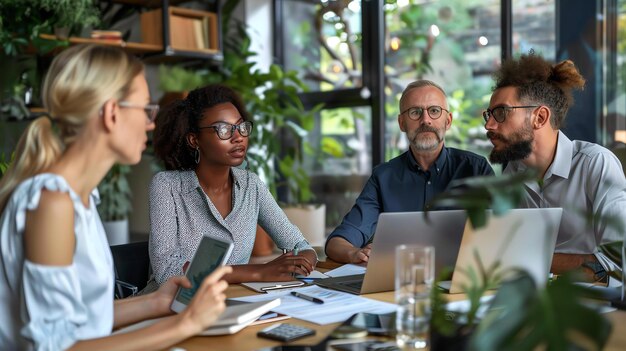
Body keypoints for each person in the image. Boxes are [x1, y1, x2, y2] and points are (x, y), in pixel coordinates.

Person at [0, 45, 231, 350]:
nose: (151, 124)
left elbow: (81, 318)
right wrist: (185, 324)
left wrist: (156, 302)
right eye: (146, 109)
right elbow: (56, 346)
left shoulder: (78, 198)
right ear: (111, 113)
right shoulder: (50, 203)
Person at [148, 84, 317, 286]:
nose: (238, 137)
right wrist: (257, 273)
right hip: (172, 308)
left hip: (236, 303)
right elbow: (168, 273)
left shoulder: (251, 185)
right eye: (224, 129)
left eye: (241, 126)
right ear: (194, 140)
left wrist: (301, 261)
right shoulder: (167, 186)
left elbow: (300, 245)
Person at [483, 52, 626, 281]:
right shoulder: (512, 172)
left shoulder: (596, 164)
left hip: (596, 305)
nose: (489, 125)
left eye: (501, 113)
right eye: (489, 114)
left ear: (539, 117)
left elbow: (618, 263)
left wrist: (532, 259)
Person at [325, 80, 494, 264]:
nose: (425, 120)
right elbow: (338, 242)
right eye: (415, 112)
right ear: (401, 123)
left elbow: (498, 235)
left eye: (434, 111)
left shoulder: (476, 169)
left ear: (448, 121)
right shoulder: (383, 177)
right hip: (398, 285)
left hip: (462, 283)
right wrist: (354, 254)